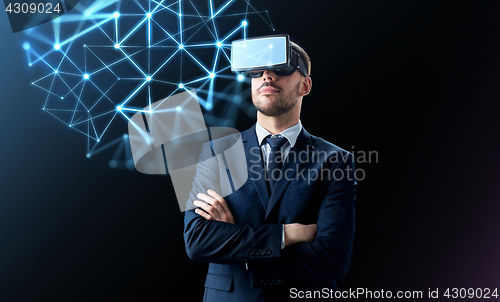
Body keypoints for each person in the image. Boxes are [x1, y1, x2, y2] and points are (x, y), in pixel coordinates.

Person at [184, 37, 356, 301]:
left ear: (305, 85)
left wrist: (237, 245)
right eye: (257, 70)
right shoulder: (215, 152)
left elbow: (333, 259)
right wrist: (286, 235)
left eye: (282, 68)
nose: (267, 75)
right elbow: (197, 241)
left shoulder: (335, 159)